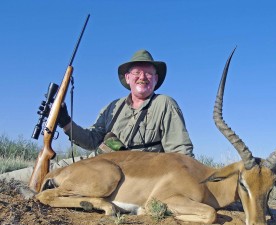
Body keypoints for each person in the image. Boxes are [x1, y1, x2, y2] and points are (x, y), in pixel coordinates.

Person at [0, 49, 194, 184]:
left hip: (133, 173)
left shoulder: (165, 104)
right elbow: (92, 140)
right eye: (136, 72)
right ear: (127, 78)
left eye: (148, 73)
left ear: (156, 78)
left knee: (61, 178)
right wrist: (65, 121)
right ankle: (5, 179)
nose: (142, 77)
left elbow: (181, 153)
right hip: (98, 162)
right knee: (56, 166)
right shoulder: (113, 107)